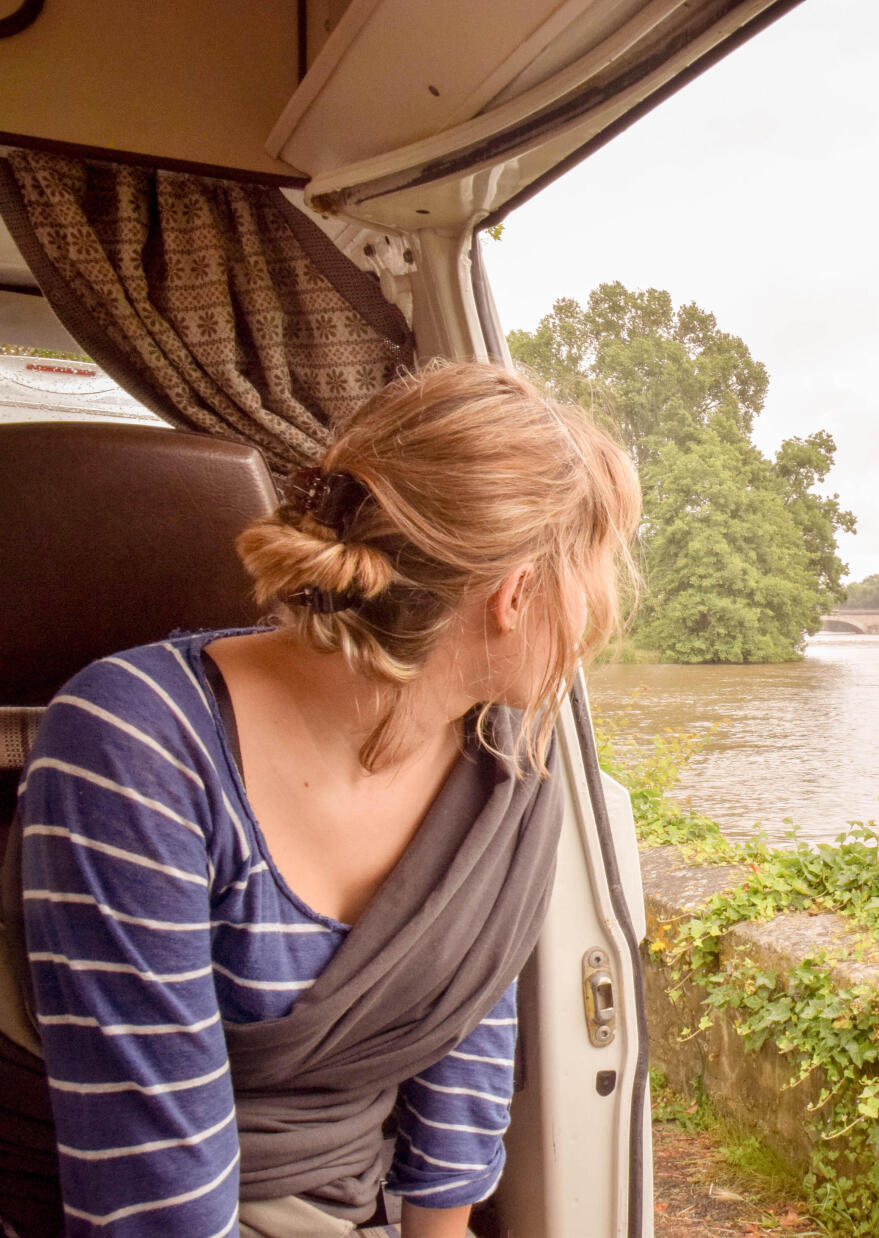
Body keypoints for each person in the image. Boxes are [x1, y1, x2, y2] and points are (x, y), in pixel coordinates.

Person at [0, 362, 639, 1238]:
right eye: (602, 569)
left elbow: (464, 1040)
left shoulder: (507, 773)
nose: (606, 611)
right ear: (518, 595)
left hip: (345, 1207)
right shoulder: (132, 747)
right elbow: (151, 1201)